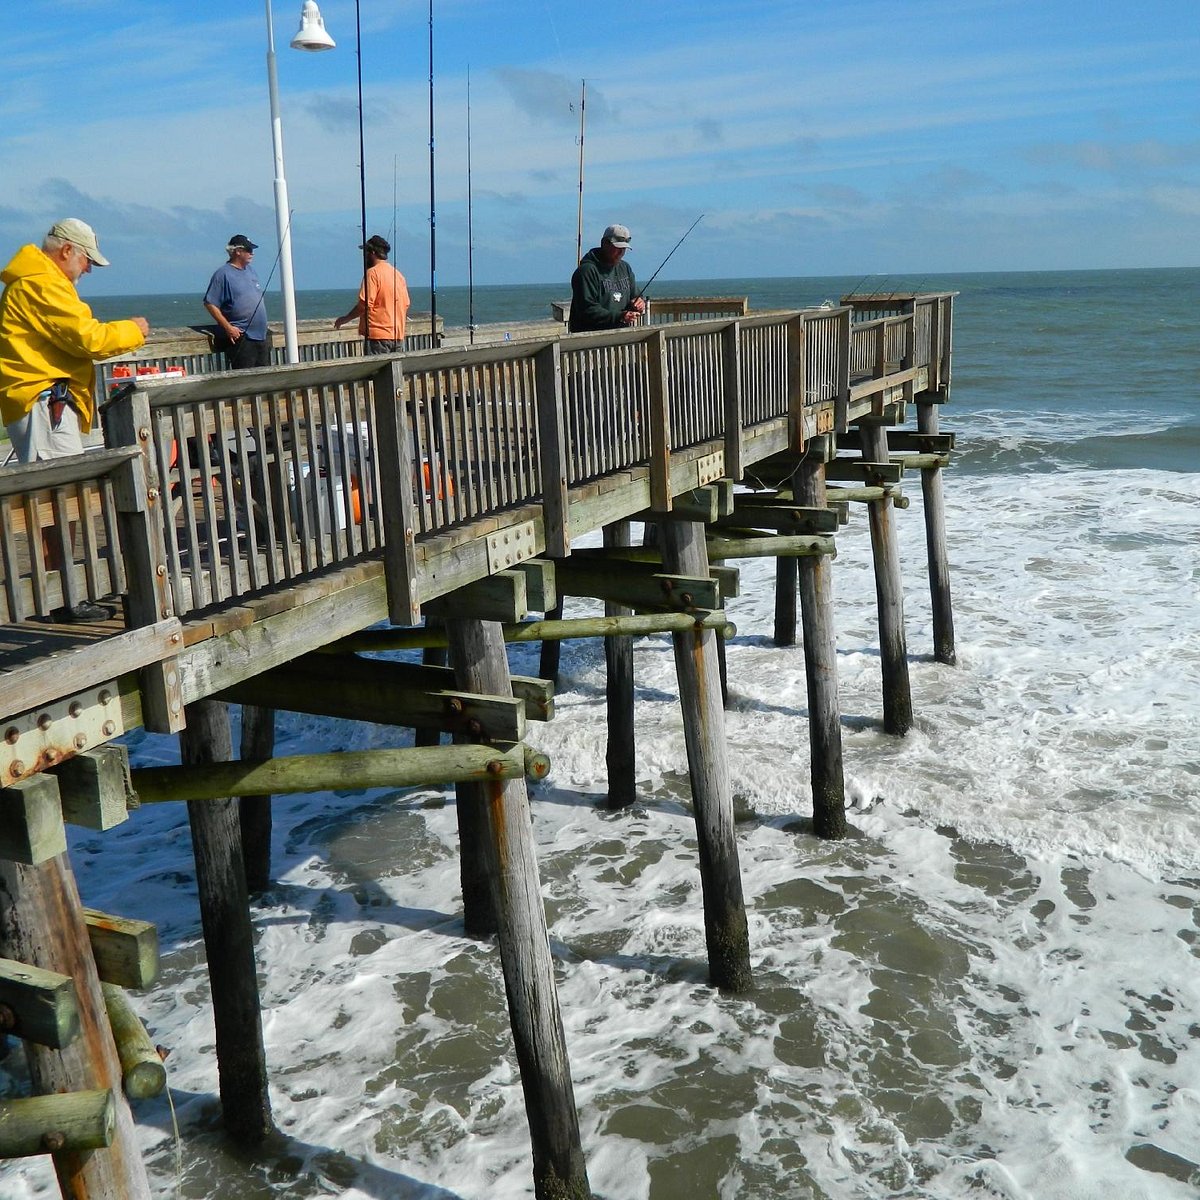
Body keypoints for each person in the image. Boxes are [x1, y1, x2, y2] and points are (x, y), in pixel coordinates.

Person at [0, 218, 149, 621]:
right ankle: (60, 598)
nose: (88, 271)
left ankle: (62, 594)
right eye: (88, 262)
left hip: (46, 403)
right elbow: (89, 339)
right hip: (46, 403)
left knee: (58, 500)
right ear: (67, 251)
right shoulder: (40, 283)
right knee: (58, 500)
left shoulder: (36, 280)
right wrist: (134, 330)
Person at [334, 234, 411, 354]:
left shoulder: (372, 274)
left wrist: (345, 318)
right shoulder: (398, 275)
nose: (364, 256)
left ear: (373, 252)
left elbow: (365, 304)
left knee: (376, 372)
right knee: (393, 371)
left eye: (365, 252)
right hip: (397, 336)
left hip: (377, 338)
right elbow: (406, 304)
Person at [204, 234, 271, 369]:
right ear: (237, 251)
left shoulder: (251, 272)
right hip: (242, 337)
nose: (252, 253)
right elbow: (210, 303)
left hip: (261, 336)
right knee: (246, 380)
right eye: (248, 250)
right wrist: (228, 328)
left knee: (264, 379)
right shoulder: (223, 274)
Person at [568, 223, 646, 332]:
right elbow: (587, 309)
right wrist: (619, 316)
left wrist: (639, 302)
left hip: (620, 335)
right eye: (617, 247)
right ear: (604, 243)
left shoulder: (625, 268)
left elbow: (636, 295)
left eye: (624, 248)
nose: (621, 252)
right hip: (590, 338)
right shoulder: (587, 271)